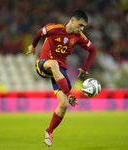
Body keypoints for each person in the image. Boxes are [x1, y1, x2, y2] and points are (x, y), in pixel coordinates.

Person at [26, 9, 97, 146]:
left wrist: (85, 68)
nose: (81, 29)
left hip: (60, 69)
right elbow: (39, 33)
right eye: (80, 25)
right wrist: (33, 46)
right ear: (72, 20)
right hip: (44, 63)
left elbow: (92, 50)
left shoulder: (79, 37)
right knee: (53, 64)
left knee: (63, 105)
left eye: (83, 27)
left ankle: (49, 131)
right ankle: (69, 94)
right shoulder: (54, 28)